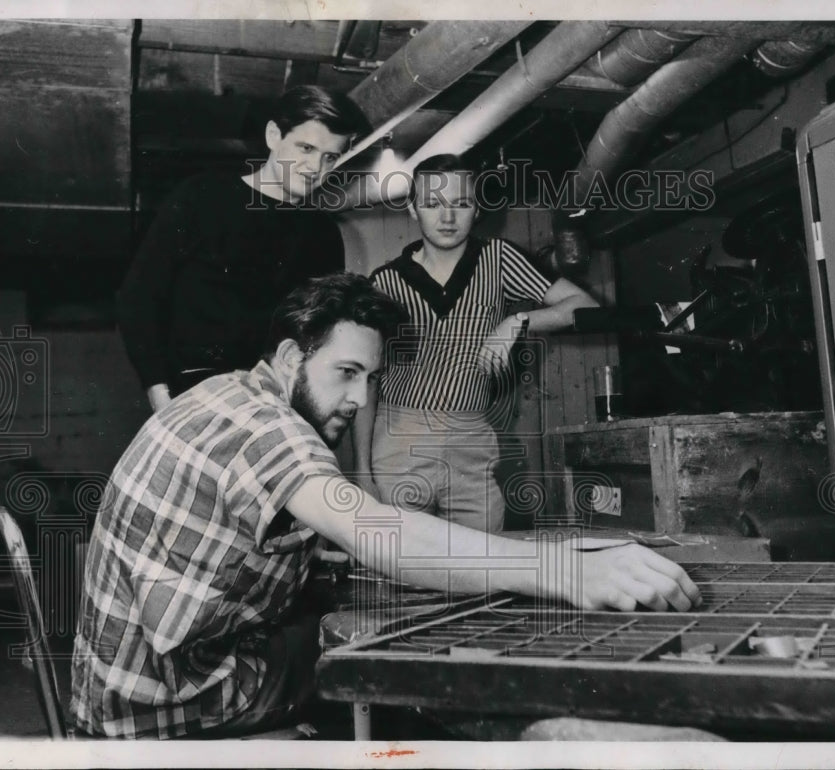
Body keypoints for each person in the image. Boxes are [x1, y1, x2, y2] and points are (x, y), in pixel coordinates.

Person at [70, 273, 701, 739]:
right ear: (291, 357)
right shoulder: (267, 428)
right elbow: (378, 533)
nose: (359, 397)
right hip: (162, 706)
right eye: (346, 372)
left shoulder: (223, 395)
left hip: (124, 681)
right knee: (387, 669)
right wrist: (568, 571)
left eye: (370, 378)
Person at [354, 154, 600, 533]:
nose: (448, 217)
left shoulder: (497, 258)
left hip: (472, 438)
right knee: (401, 566)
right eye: (433, 204)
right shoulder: (384, 283)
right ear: (412, 209)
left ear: (478, 207)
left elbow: (585, 306)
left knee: (483, 566)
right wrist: (363, 473)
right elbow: (366, 383)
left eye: (461, 203)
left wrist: (516, 321)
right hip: (399, 439)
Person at [117, 85, 371, 412]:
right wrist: (159, 393)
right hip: (191, 398)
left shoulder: (323, 234)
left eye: (329, 157)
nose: (314, 167)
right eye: (305, 148)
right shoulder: (200, 197)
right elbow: (138, 298)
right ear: (273, 135)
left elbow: (318, 335)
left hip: (276, 406)